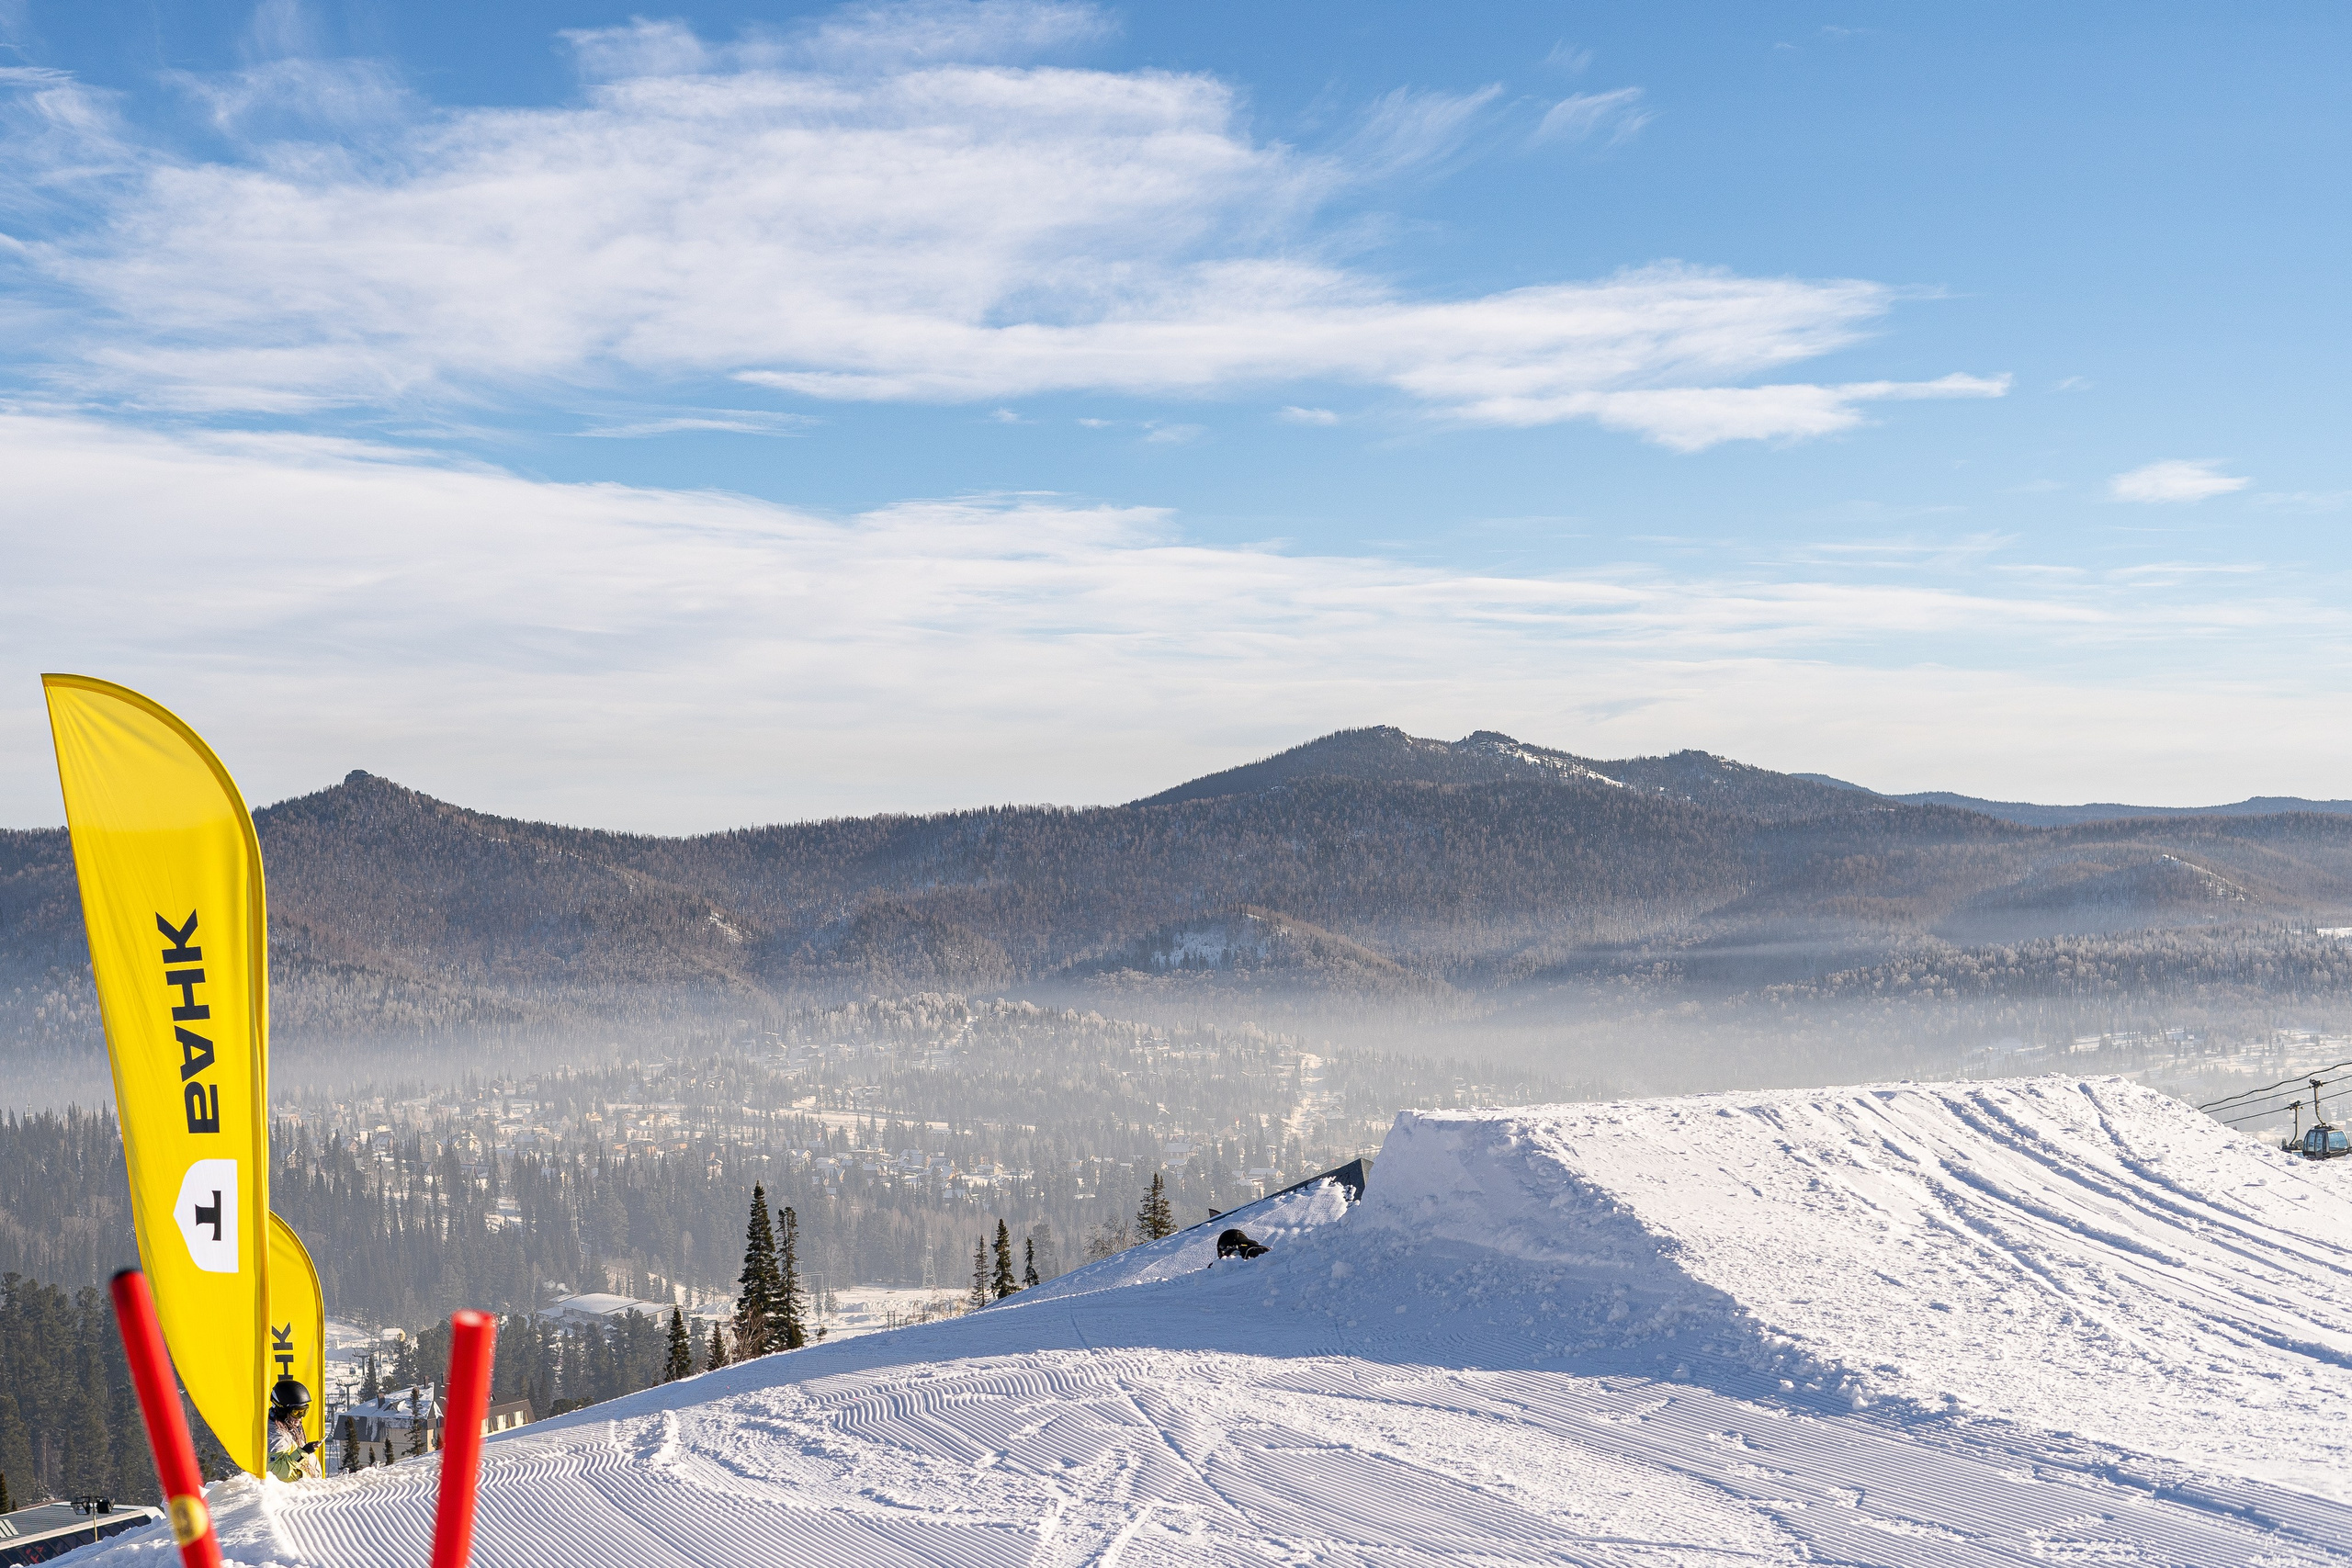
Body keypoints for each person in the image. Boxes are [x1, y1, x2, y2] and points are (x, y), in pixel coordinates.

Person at [266, 1378, 322, 1482]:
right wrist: (303, 1452)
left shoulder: (288, 1426)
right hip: (290, 1494)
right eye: (297, 1412)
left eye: (304, 1411)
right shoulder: (275, 1435)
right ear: (282, 1410)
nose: (301, 1417)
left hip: (304, 1489)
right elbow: (274, 1471)